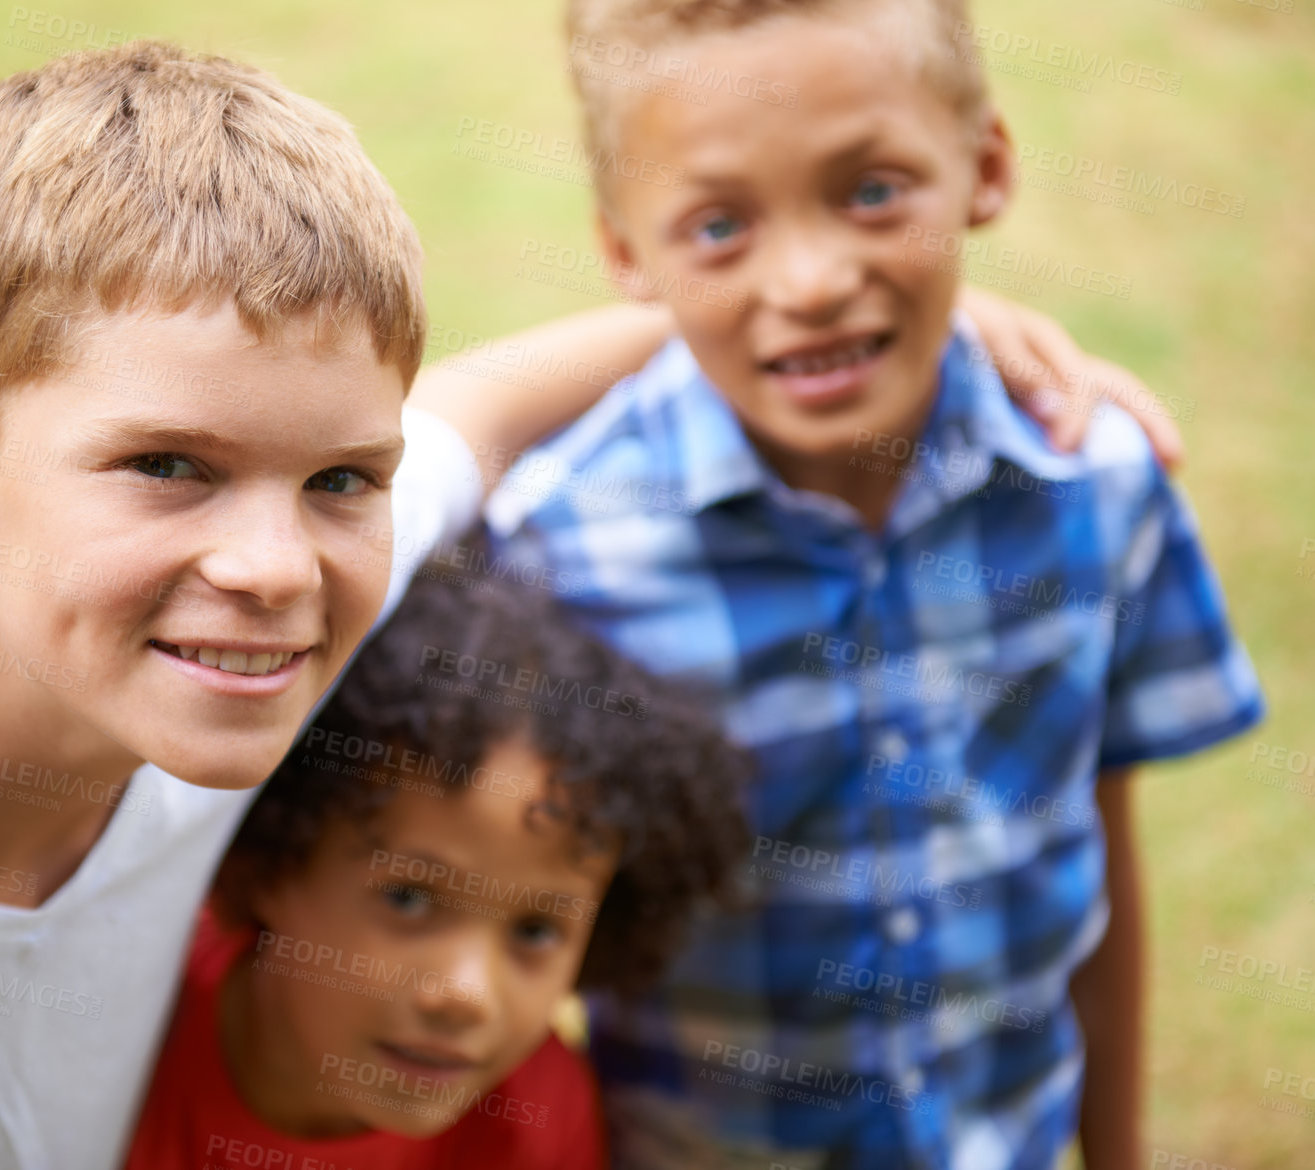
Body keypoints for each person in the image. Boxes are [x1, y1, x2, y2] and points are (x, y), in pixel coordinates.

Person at [0, 29, 1180, 1170]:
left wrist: (927, 324)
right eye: (164, 462)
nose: (277, 568)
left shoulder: (222, 640)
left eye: (343, 481)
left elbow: (479, 411)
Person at [415, 2, 1266, 1167]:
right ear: (624, 251)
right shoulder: (554, 556)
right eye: (718, 225)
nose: (811, 281)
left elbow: (1095, 860)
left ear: (985, 166)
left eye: (871, 192)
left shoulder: (1096, 485)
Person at [124, 559, 749, 1169]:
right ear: (264, 863)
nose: (466, 995)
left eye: (536, 931)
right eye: (408, 898)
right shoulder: (126, 1019)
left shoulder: (536, 1122)